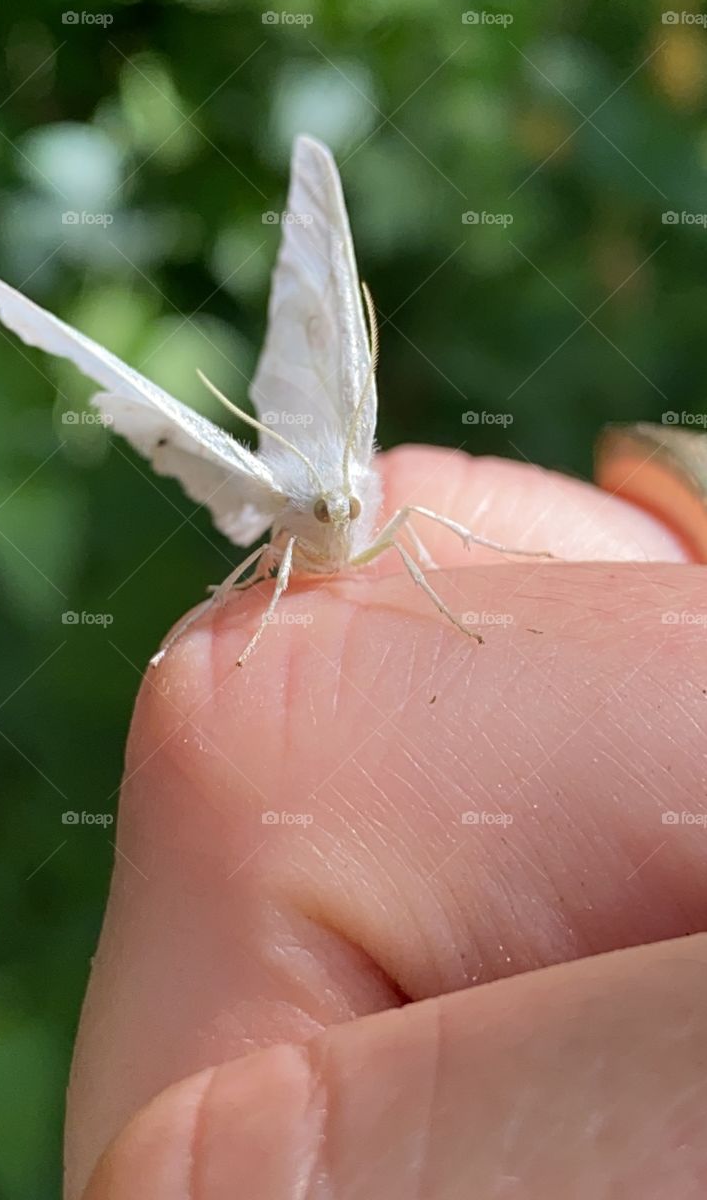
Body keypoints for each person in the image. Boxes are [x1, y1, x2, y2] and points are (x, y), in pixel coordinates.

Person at [65, 445, 707, 1199]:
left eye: (342, 511)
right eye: (333, 511)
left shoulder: (373, 516)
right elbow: (281, 551)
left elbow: (396, 522)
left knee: (401, 507)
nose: (342, 518)